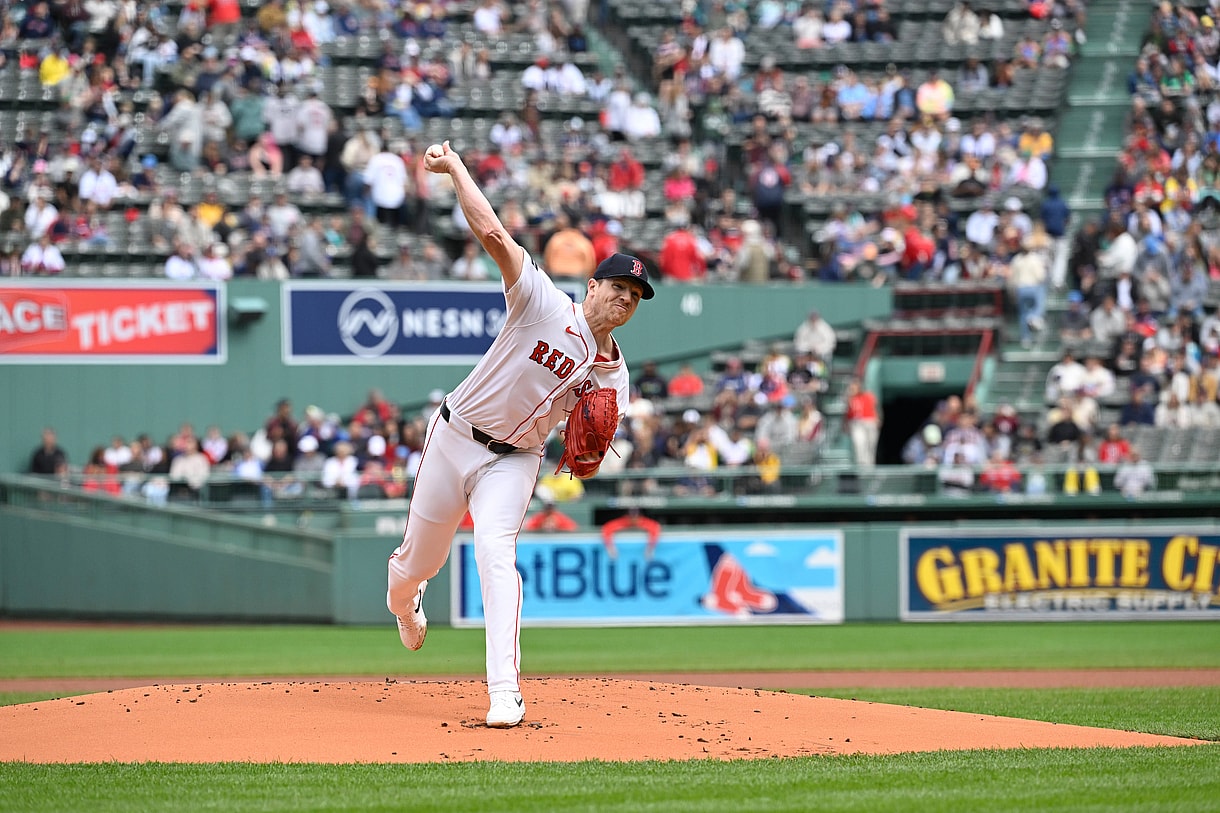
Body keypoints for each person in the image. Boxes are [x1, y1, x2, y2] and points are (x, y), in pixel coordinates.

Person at [386, 140, 655, 729]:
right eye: (618, 287)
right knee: (415, 564)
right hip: (455, 436)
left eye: (635, 297)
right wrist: (456, 168)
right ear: (591, 285)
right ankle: (405, 604)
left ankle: (505, 692)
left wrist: (589, 452)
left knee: (495, 553)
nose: (625, 299)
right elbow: (493, 234)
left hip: (514, 460)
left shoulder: (615, 375)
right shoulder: (542, 303)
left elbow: (594, 444)